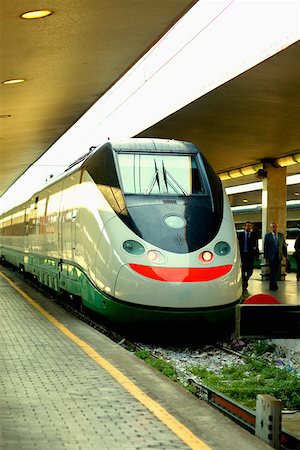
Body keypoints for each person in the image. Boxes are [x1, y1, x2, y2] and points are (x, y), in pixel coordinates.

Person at [264, 221, 287, 291]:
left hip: (278, 256)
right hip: (271, 256)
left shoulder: (280, 235)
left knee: (276, 271)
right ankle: (273, 286)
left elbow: (283, 246)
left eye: (276, 226)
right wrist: (266, 257)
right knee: (273, 271)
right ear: (271, 228)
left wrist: (285, 255)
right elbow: (266, 247)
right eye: (273, 227)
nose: (275, 228)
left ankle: (273, 285)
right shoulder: (268, 236)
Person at [237, 221, 259, 292]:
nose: (248, 227)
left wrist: (256, 255)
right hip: (242, 255)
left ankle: (245, 280)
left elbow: (256, 245)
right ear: (244, 227)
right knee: (243, 270)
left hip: (250, 256)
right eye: (247, 225)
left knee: (250, 271)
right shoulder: (240, 234)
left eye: (250, 226)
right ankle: (244, 284)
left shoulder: (254, 235)